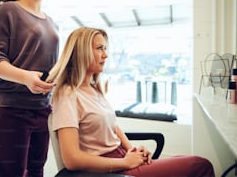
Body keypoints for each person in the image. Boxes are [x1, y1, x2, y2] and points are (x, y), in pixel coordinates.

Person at [47, 27, 215, 177]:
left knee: (186, 160)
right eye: (99, 48)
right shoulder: (67, 94)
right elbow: (72, 159)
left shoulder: (94, 89)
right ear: (82, 52)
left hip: (123, 159)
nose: (105, 55)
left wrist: (132, 150)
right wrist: (126, 163)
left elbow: (113, 127)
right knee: (199, 166)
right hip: (111, 169)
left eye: (105, 48)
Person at [0, 0, 58, 176]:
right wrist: (26, 78)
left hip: (42, 109)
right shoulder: (8, 11)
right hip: (9, 109)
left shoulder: (50, 20)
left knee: (36, 171)